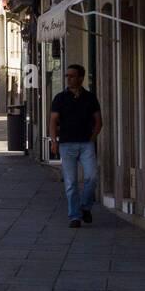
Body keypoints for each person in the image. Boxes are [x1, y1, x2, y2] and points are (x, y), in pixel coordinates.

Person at [49, 63, 103, 228]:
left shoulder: (90, 98)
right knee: (71, 182)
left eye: (72, 76)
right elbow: (53, 121)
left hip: (86, 144)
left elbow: (99, 121)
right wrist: (53, 141)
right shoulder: (60, 98)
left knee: (92, 177)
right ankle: (74, 216)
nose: (68, 79)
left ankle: (85, 207)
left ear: (81, 78)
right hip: (66, 144)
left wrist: (92, 138)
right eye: (67, 76)